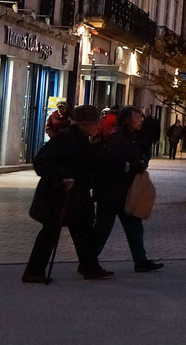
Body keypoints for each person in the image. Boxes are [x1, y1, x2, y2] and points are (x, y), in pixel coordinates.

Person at [22, 105, 111, 283]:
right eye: (95, 123)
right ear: (85, 124)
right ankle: (33, 271)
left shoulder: (81, 138)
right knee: (50, 232)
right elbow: (42, 162)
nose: (98, 126)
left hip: (76, 196)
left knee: (83, 231)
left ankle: (90, 267)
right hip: (60, 195)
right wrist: (63, 176)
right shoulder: (66, 138)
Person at [92, 106, 163, 273]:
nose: (141, 120)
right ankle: (89, 261)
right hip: (114, 190)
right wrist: (133, 165)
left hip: (120, 190)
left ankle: (140, 260)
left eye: (141, 117)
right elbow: (113, 162)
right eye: (137, 117)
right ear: (127, 119)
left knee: (131, 226)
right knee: (104, 227)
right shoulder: (119, 138)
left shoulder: (129, 136)